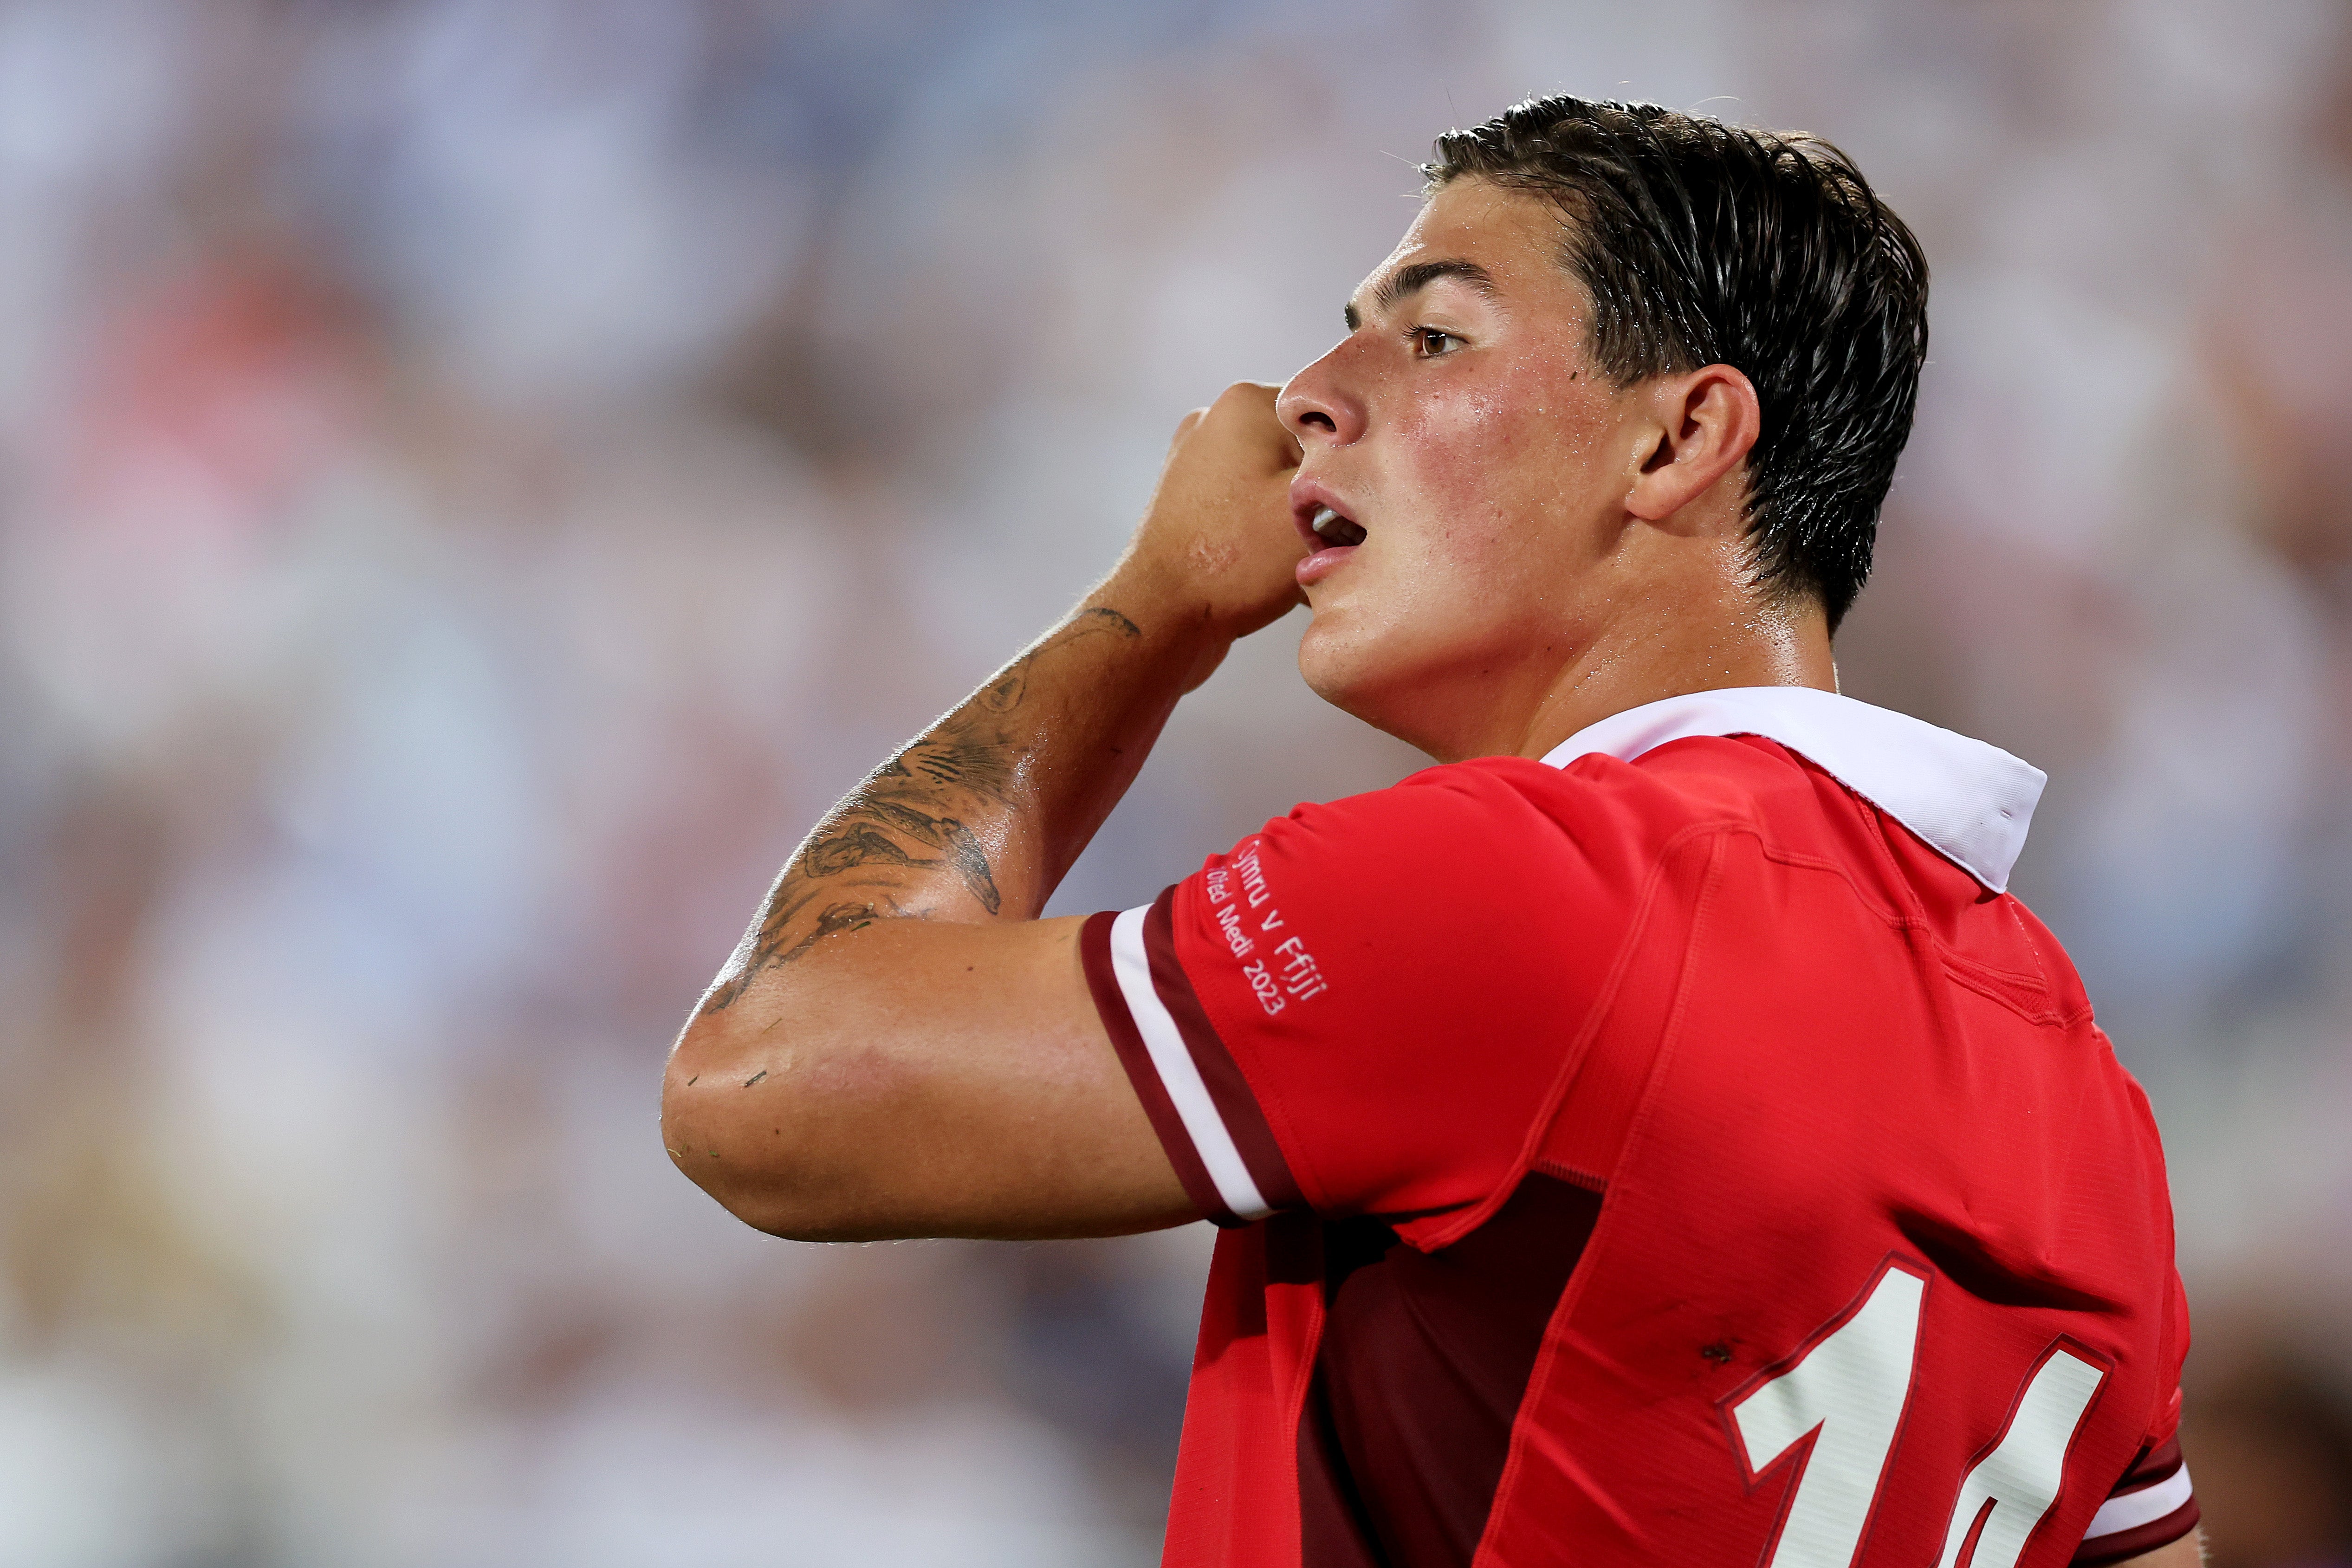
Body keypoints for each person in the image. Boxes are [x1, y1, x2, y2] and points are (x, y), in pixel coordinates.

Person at [659, 96, 2202, 1568]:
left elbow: (764, 1081)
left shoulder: (1537, 885)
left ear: (1676, 441)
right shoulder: (2088, 1107)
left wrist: (1157, 606)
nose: (1305, 396)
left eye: (1434, 335)